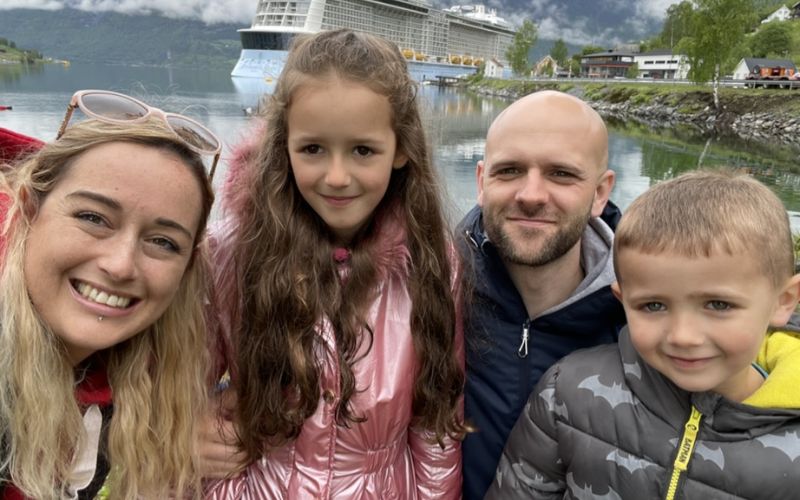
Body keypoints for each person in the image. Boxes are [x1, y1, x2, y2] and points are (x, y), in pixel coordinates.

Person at [203, 29, 467, 498]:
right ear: (284, 146)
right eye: (313, 149)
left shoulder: (432, 261)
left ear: (401, 150)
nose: (337, 177)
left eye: (363, 150)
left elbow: (435, 425)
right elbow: (177, 394)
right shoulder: (232, 251)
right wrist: (184, 435)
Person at [487, 169, 800, 499]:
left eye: (718, 304)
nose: (683, 336)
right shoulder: (567, 391)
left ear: (784, 302)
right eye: (653, 306)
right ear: (623, 301)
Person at [0, 89, 219, 499]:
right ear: (29, 210)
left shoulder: (132, 373)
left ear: (186, 269)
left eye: (163, 242)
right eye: (93, 218)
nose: (121, 265)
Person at [458, 90, 627, 499]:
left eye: (561, 174)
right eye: (510, 170)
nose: (531, 195)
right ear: (482, 182)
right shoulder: (431, 292)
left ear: (600, 193)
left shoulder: (647, 318)